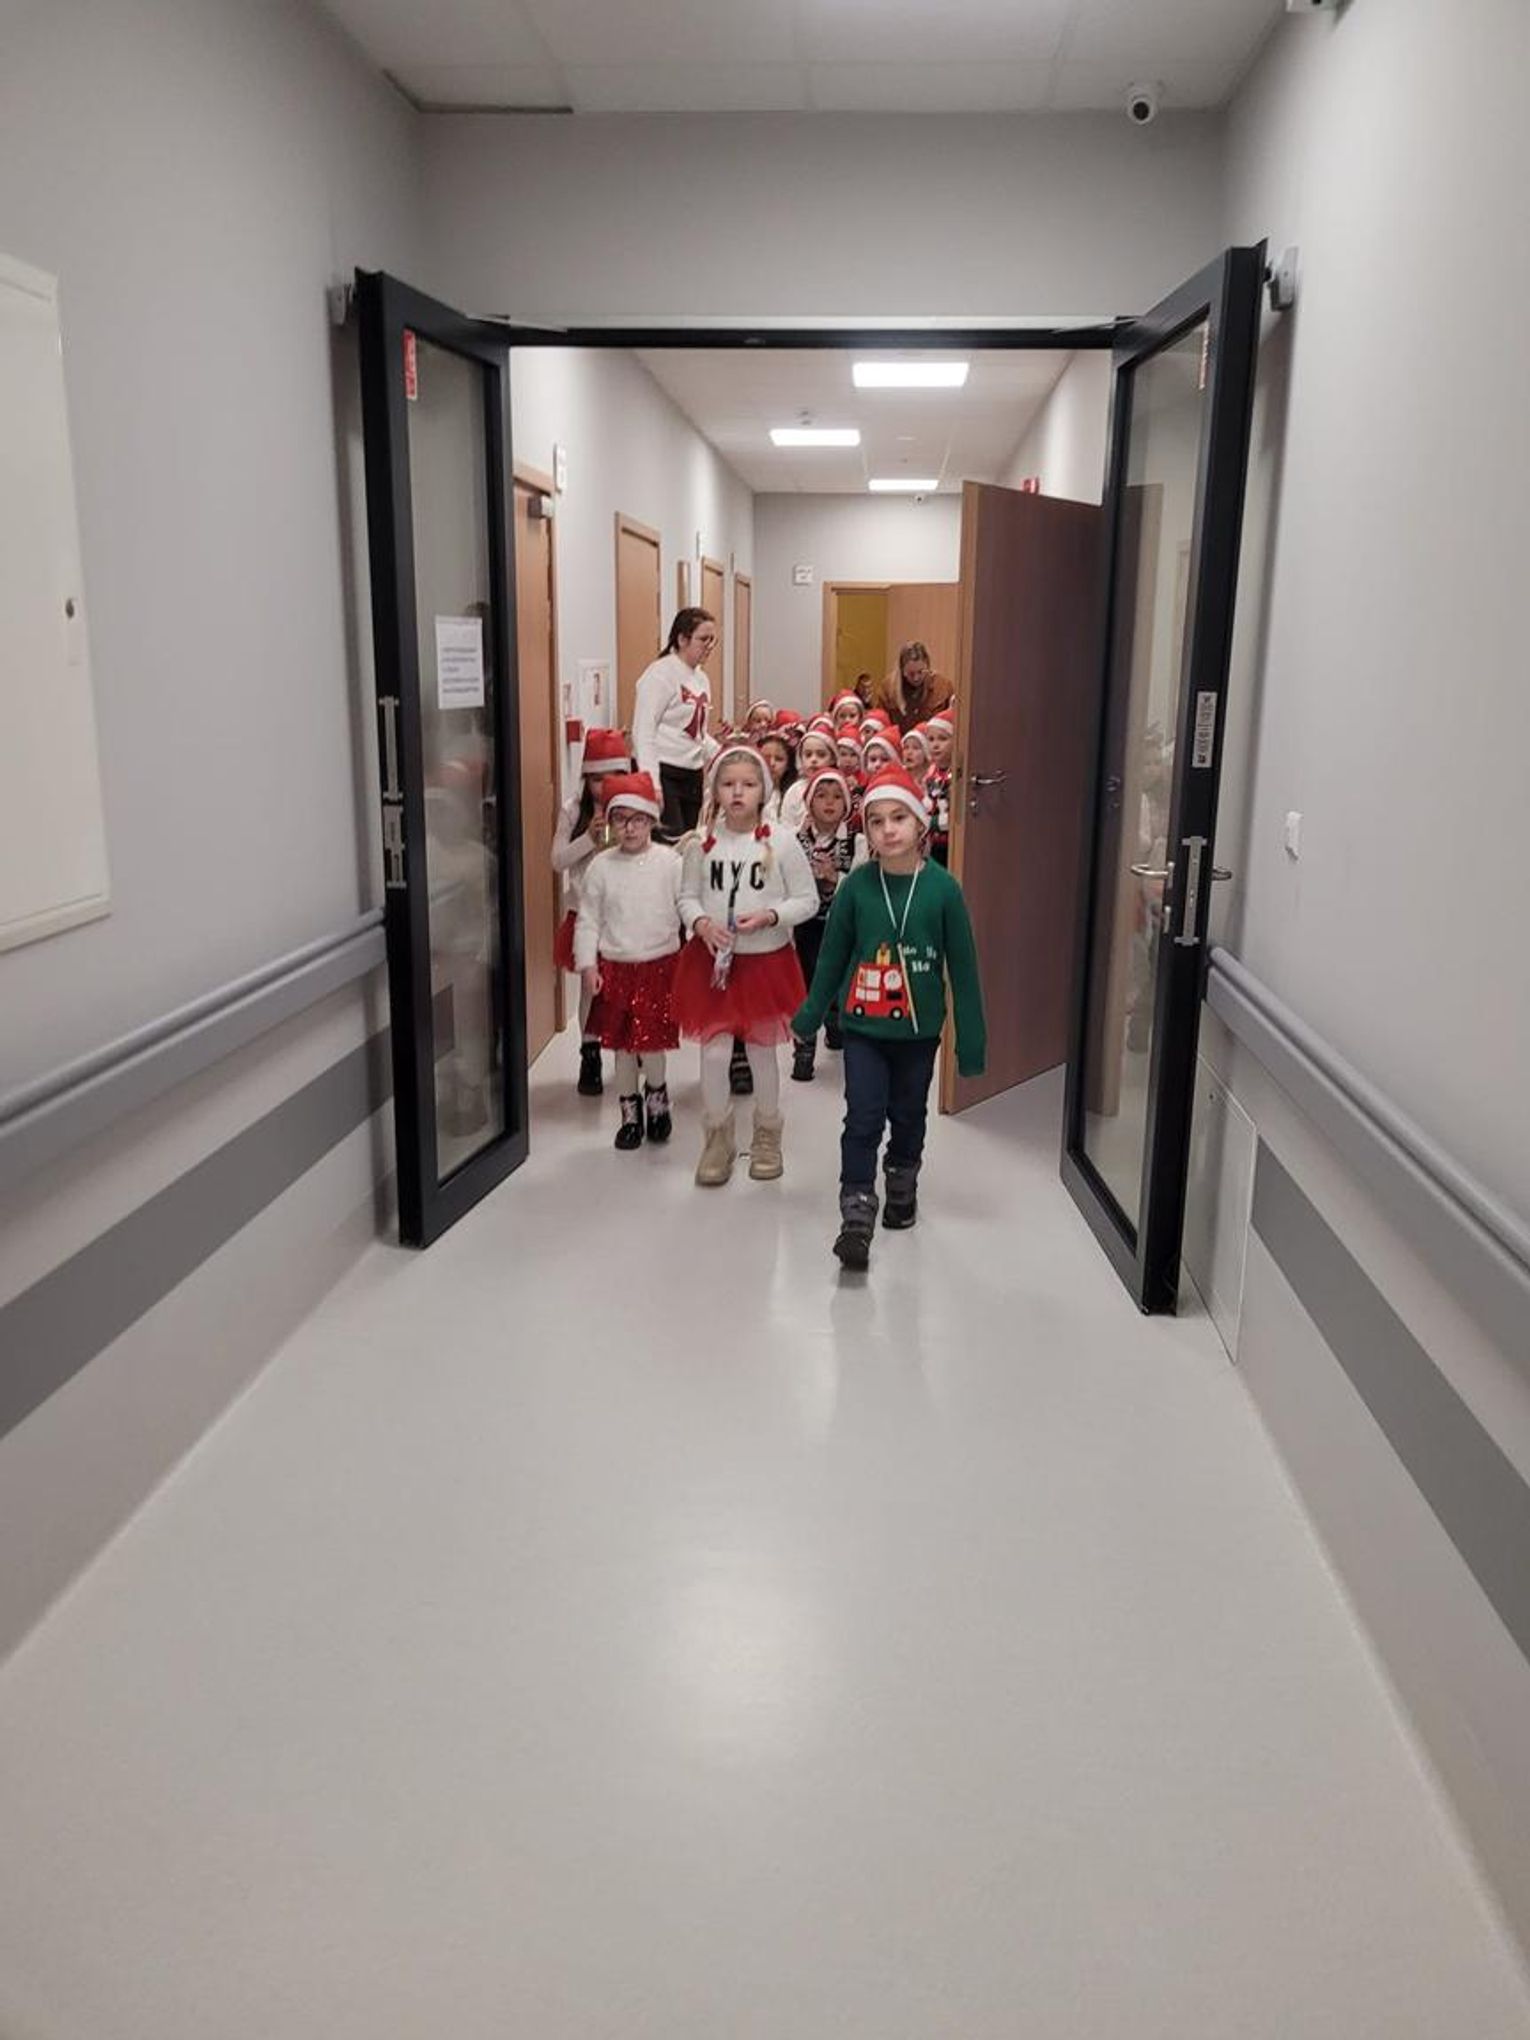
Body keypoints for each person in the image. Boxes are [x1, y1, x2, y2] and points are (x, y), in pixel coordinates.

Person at [792, 766, 986, 1271]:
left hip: (919, 1033)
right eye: (876, 821)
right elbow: (832, 959)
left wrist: (971, 1042)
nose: (887, 829)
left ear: (921, 822)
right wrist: (811, 1014)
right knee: (862, 1115)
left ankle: (902, 1178)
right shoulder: (857, 887)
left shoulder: (944, 890)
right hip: (862, 1029)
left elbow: (963, 969)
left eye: (899, 817)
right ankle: (857, 1208)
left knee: (908, 1112)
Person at [671, 743, 817, 1187]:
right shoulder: (701, 843)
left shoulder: (782, 842)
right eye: (728, 784)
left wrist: (771, 916)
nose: (738, 792)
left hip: (765, 964)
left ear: (764, 791)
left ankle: (767, 1134)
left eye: (748, 784)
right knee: (714, 1054)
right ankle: (718, 1136)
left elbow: (807, 900)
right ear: (714, 789)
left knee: (761, 1053)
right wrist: (700, 923)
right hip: (712, 964)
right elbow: (686, 897)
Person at [573, 772, 683, 1152]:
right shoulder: (601, 867)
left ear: (652, 820)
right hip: (616, 968)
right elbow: (588, 919)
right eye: (620, 819)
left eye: (638, 819)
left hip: (658, 966)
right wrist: (588, 964)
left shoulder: (670, 862)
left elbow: (686, 907)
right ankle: (630, 1116)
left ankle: (657, 1102)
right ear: (610, 823)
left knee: (651, 1048)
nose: (630, 828)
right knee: (622, 1049)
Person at [551, 727, 631, 1096]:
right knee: (591, 990)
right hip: (585, 915)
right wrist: (589, 838)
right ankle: (590, 1053)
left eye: (615, 776)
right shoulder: (573, 809)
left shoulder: (635, 807)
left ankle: (630, 1049)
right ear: (586, 778)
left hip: (626, 915)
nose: (606, 786)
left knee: (628, 987)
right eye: (597, 778)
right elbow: (557, 860)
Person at [791, 767, 859, 1083]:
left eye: (836, 796)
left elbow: (859, 882)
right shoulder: (795, 842)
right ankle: (804, 1050)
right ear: (809, 802)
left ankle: (835, 1023)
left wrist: (834, 878)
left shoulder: (856, 842)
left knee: (839, 978)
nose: (829, 802)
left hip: (841, 927)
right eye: (821, 795)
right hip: (806, 927)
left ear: (846, 804)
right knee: (806, 985)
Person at [632, 608, 719, 841]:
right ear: (682, 639)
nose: (709, 646)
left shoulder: (701, 678)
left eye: (713, 640)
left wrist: (721, 754)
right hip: (664, 772)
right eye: (703, 639)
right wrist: (652, 782)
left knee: (688, 843)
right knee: (670, 845)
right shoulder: (660, 674)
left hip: (692, 773)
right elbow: (643, 731)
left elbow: (696, 733)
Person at [877, 640, 956, 734]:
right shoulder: (887, 689)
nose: (916, 678)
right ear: (902, 670)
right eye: (911, 674)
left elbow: (953, 721)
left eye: (921, 672)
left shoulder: (943, 687)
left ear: (928, 666)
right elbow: (879, 724)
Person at [780, 728, 837, 832]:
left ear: (832, 759)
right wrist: (801, 830)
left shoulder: (839, 789)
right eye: (808, 755)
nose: (813, 760)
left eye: (821, 755)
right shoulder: (795, 791)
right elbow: (785, 828)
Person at [924, 712, 955, 868]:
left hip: (952, 842)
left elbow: (956, 816)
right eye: (931, 739)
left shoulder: (957, 774)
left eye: (942, 739)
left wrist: (933, 822)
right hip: (933, 842)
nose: (935, 745)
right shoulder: (931, 772)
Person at [758, 730, 795, 825]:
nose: (772, 763)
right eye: (766, 758)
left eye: (779, 759)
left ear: (788, 765)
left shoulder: (792, 794)